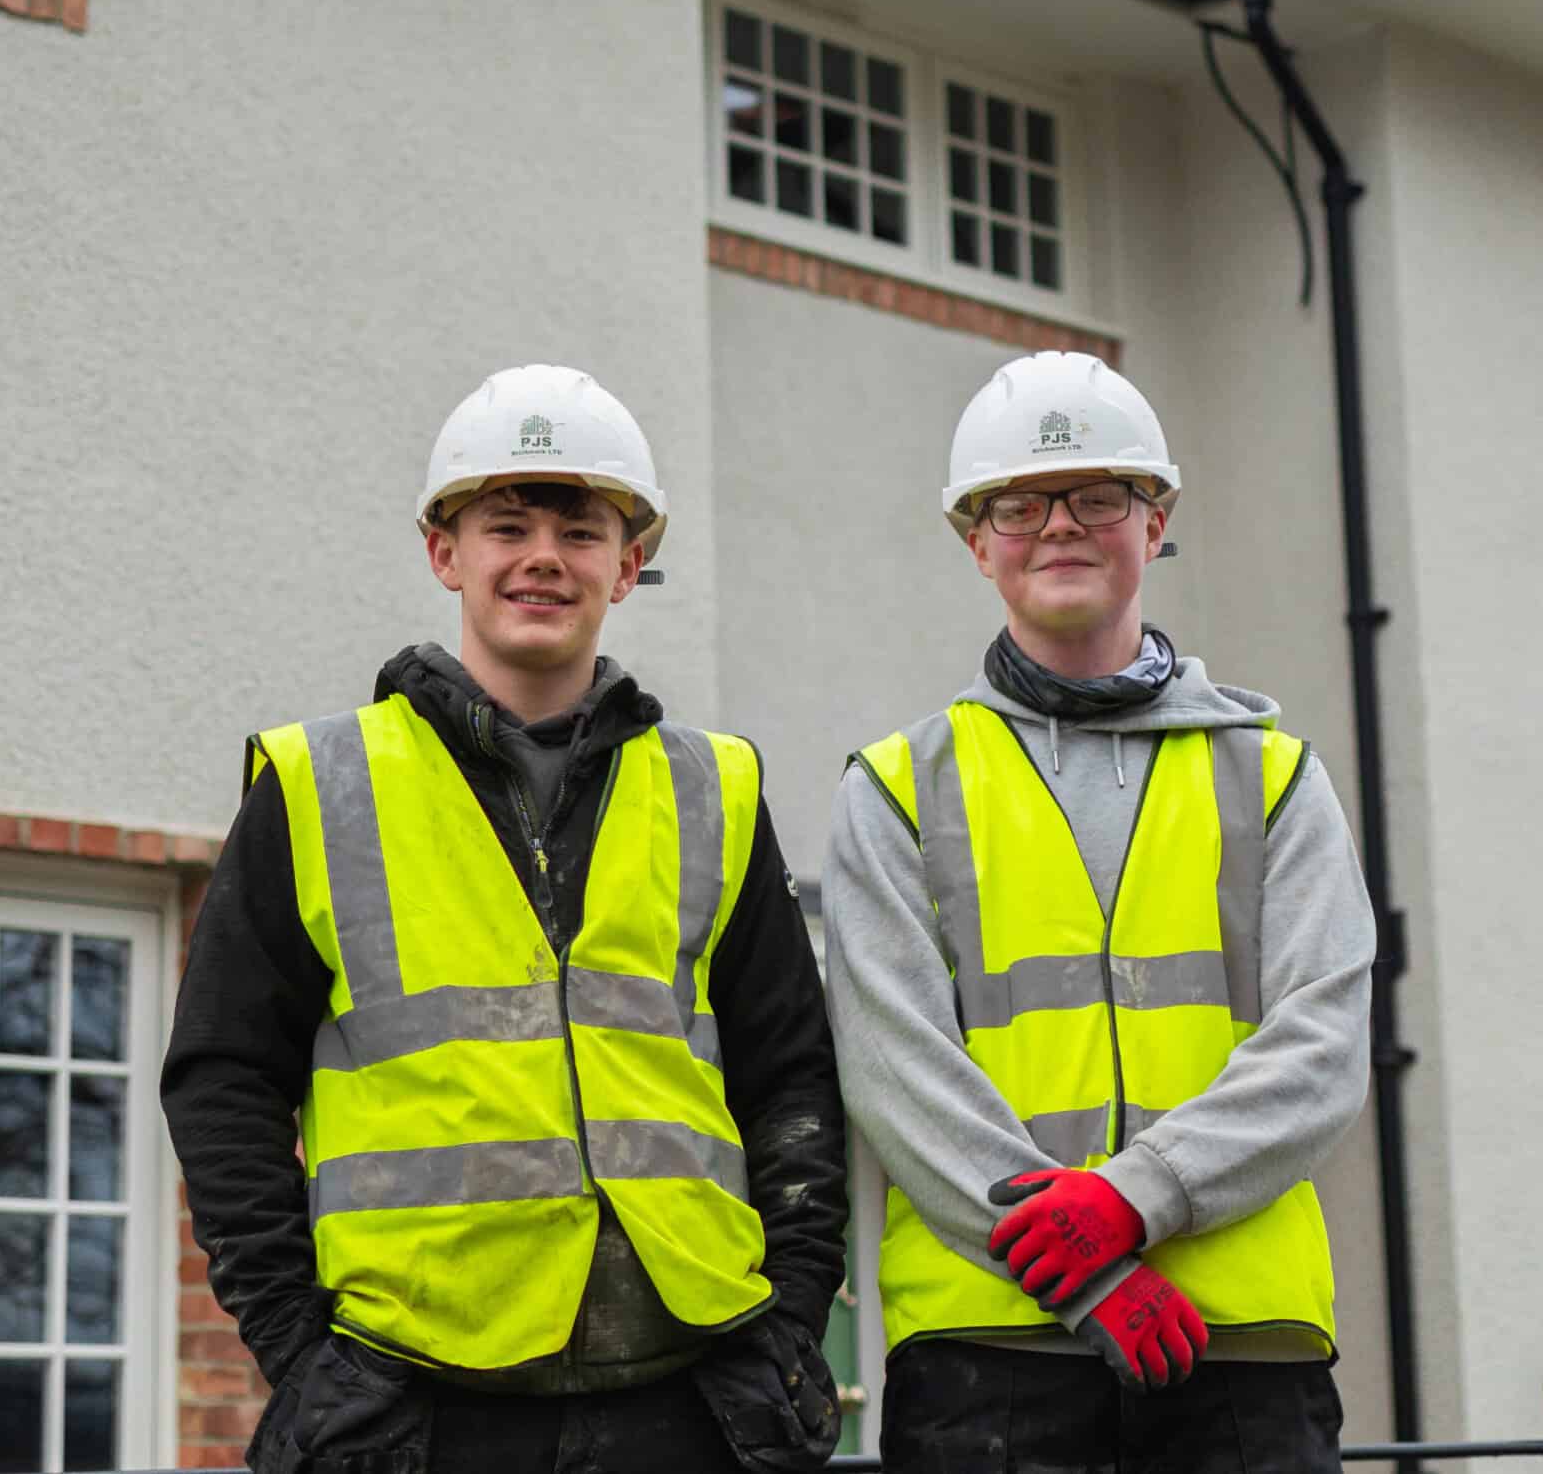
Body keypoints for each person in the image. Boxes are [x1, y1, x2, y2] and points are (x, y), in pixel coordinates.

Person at [163, 364, 847, 1474]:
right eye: (506, 523)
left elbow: (791, 1080)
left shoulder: (711, 789)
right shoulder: (318, 783)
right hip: (416, 1403)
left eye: (581, 530)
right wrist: (298, 1349)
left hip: (689, 1393)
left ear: (628, 566)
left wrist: (788, 1326)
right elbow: (223, 1081)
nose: (542, 555)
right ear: (446, 553)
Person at [823, 350, 1375, 1474]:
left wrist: (1132, 1204)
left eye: (1099, 497)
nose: (1058, 526)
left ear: (1155, 520)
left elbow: (1322, 1044)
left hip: (1240, 1345)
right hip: (990, 1347)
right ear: (974, 541)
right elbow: (894, 1070)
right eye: (1018, 505)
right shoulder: (895, 785)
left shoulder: (1274, 777)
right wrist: (1084, 1266)